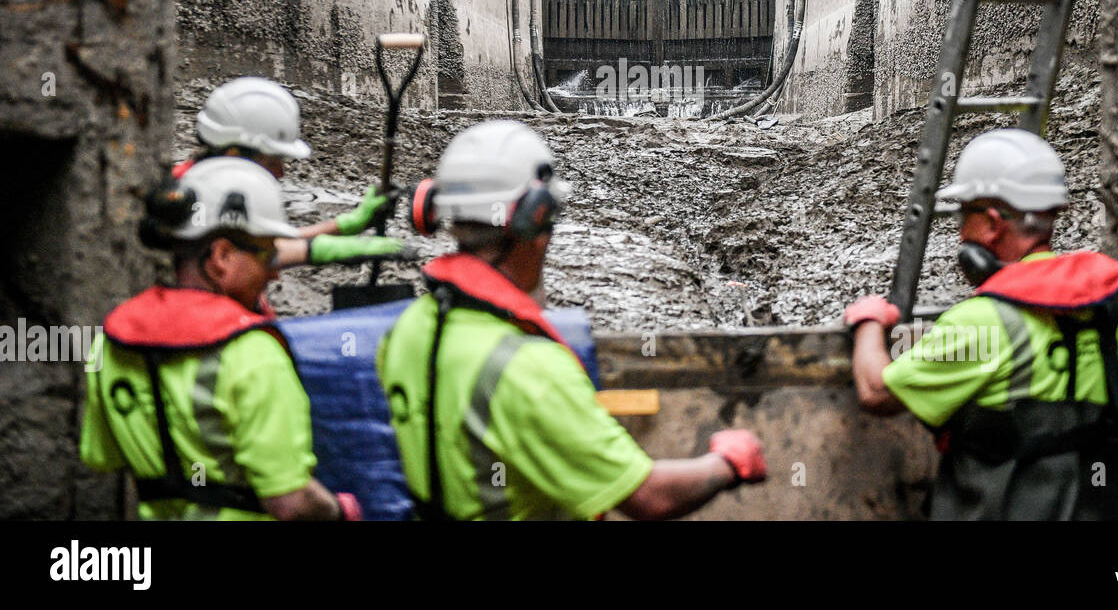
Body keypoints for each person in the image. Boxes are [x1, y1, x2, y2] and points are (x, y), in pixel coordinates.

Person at [378, 119, 767, 520]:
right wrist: (727, 462)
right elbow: (650, 497)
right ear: (535, 220)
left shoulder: (404, 331)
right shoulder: (528, 370)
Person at [847, 128, 1118, 519]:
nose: (961, 232)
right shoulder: (1116, 307)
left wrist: (866, 321)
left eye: (965, 215)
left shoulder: (981, 323)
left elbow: (877, 392)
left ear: (994, 223)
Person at [80, 157, 362, 520]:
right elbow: (291, 501)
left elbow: (100, 455)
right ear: (222, 257)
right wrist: (340, 511)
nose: (274, 274)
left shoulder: (111, 343)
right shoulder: (253, 354)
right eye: (267, 255)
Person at [174, 76, 398, 268]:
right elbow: (229, 258)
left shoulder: (215, 186)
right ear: (234, 155)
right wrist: (314, 250)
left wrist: (345, 225)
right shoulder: (186, 197)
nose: (280, 173)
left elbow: (263, 241)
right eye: (272, 161)